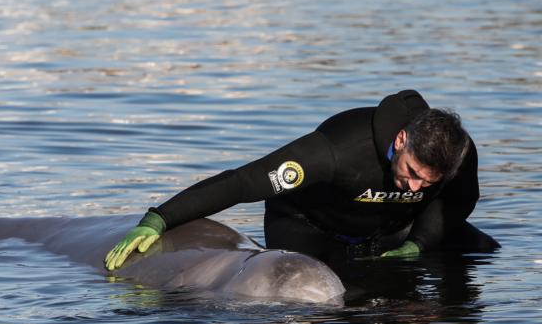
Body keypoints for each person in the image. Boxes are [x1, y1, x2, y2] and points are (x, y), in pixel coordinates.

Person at [105, 90, 499, 271]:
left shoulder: (455, 157)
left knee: (482, 250)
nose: (414, 188)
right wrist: (159, 218)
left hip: (391, 231)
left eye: (427, 184)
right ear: (401, 140)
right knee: (342, 294)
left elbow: (457, 203)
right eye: (412, 173)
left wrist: (418, 244)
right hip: (309, 228)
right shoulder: (337, 150)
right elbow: (244, 182)